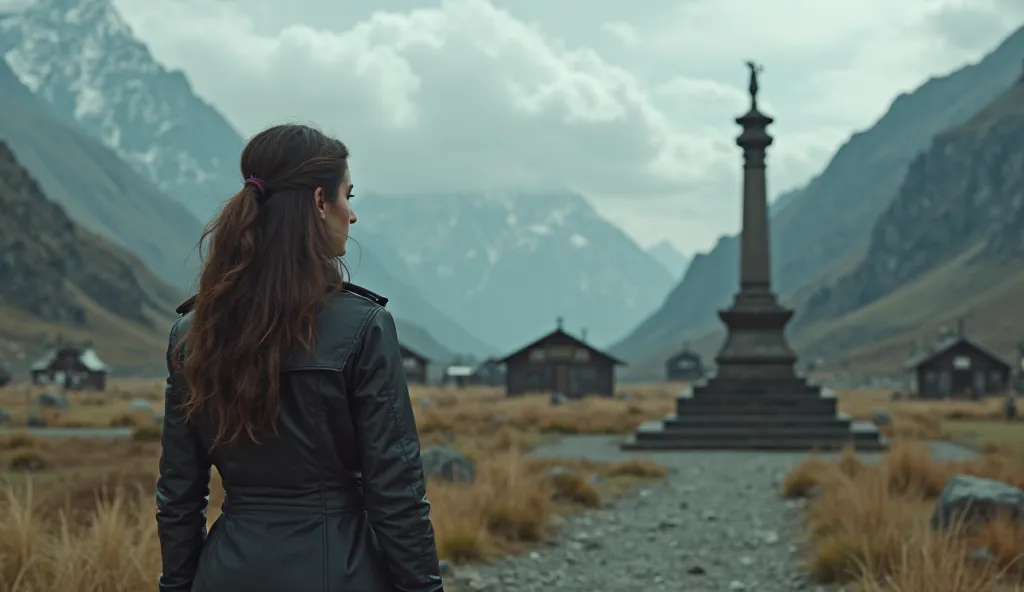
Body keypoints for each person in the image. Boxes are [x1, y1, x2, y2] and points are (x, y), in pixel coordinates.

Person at [156, 124, 444, 592]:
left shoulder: (192, 334)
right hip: (340, 571)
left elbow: (178, 497)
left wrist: (179, 586)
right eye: (347, 196)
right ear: (317, 201)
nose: (352, 216)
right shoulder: (363, 325)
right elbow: (397, 493)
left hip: (225, 572)